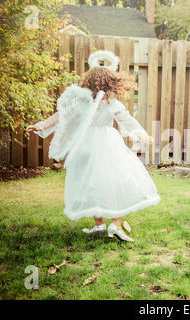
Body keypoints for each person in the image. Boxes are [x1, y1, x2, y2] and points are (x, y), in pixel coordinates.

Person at [26, 50, 160, 242]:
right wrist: (41, 125)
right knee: (106, 179)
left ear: (88, 83)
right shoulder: (100, 104)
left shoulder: (96, 104)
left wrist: (140, 133)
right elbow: (61, 117)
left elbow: (61, 117)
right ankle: (109, 224)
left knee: (97, 180)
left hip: (93, 144)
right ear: (110, 84)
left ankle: (108, 224)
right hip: (102, 144)